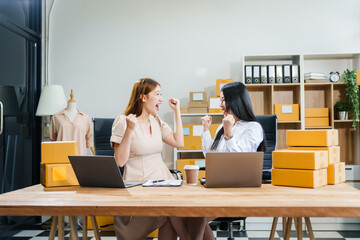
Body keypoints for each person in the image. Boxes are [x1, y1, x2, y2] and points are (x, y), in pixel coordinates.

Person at [110, 78, 190, 240]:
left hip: (163, 184)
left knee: (176, 215)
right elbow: (120, 161)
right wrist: (129, 131)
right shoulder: (124, 121)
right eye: (158, 94)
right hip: (139, 187)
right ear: (143, 97)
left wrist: (177, 113)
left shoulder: (157, 120)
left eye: (162, 94)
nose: (161, 99)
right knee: (175, 215)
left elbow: (179, 143)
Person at [200, 81, 266, 232]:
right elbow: (210, 156)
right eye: (220, 100)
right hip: (218, 185)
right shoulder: (223, 125)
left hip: (239, 189)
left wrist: (229, 134)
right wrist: (205, 130)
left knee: (196, 218)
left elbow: (240, 160)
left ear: (235, 101)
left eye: (223, 100)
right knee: (186, 215)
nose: (220, 104)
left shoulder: (253, 127)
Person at [50, 89, 95, 155]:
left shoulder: (85, 118)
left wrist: (95, 155)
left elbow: (90, 140)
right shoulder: (56, 117)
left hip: (80, 156)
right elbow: (53, 139)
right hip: (61, 155)